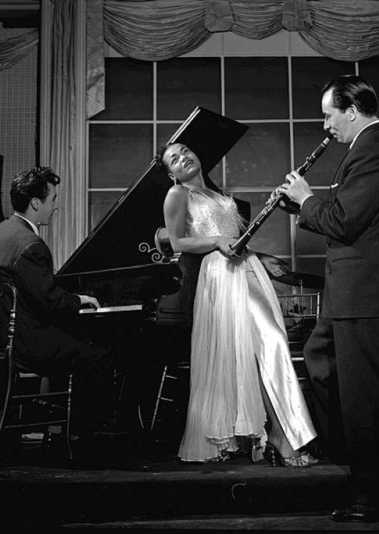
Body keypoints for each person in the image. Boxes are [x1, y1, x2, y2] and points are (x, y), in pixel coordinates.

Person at [277, 74, 379, 522]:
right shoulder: (367, 148)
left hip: (362, 291)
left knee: (364, 397)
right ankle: (349, 455)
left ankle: (376, 497)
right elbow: (345, 215)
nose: (326, 126)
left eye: (328, 116)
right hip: (349, 291)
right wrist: (305, 208)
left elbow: (347, 219)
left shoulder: (373, 147)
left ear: (351, 112)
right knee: (321, 358)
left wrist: (306, 198)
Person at [157, 142, 317, 467]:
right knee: (267, 345)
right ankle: (282, 439)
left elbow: (236, 240)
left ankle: (279, 435)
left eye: (186, 150)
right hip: (219, 275)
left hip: (247, 270)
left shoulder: (218, 194)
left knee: (267, 347)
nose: (183, 157)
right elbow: (175, 242)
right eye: (174, 159)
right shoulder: (177, 195)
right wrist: (217, 241)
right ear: (171, 173)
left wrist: (261, 257)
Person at [0, 166, 114, 435]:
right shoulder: (31, 244)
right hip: (24, 344)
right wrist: (78, 300)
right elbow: (51, 302)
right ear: (36, 203)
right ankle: (87, 437)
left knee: (68, 342)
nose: (55, 206)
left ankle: (56, 427)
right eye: (53, 199)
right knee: (98, 358)